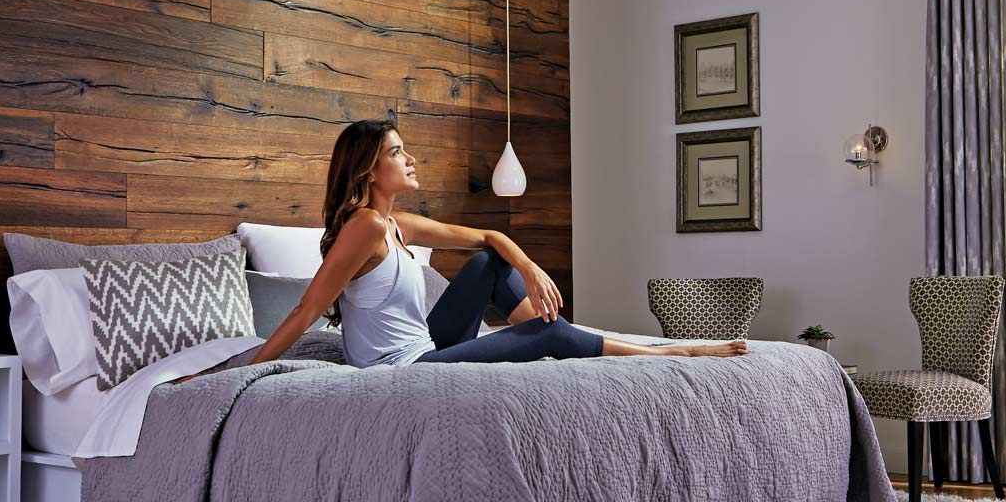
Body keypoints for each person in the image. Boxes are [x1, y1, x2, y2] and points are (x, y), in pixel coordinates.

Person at [250, 118, 748, 367]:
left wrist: (530, 268)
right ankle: (667, 355)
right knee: (548, 336)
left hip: (427, 346)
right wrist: (244, 368)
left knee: (489, 262)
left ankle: (556, 336)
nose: (411, 159)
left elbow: (490, 237)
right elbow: (305, 310)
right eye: (398, 153)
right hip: (401, 371)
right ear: (369, 169)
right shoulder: (365, 227)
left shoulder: (396, 222)